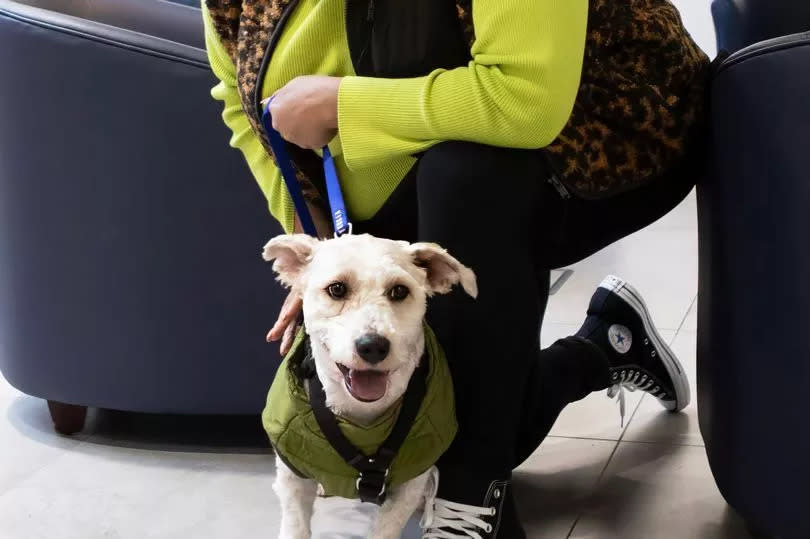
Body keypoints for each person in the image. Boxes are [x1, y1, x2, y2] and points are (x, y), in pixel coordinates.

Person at [201, 0, 709, 536]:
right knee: (450, 420)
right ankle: (604, 345)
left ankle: (471, 503)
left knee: (469, 172)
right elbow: (241, 101)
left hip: (602, 131)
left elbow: (526, 99)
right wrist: (331, 260)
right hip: (408, 169)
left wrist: (345, 105)